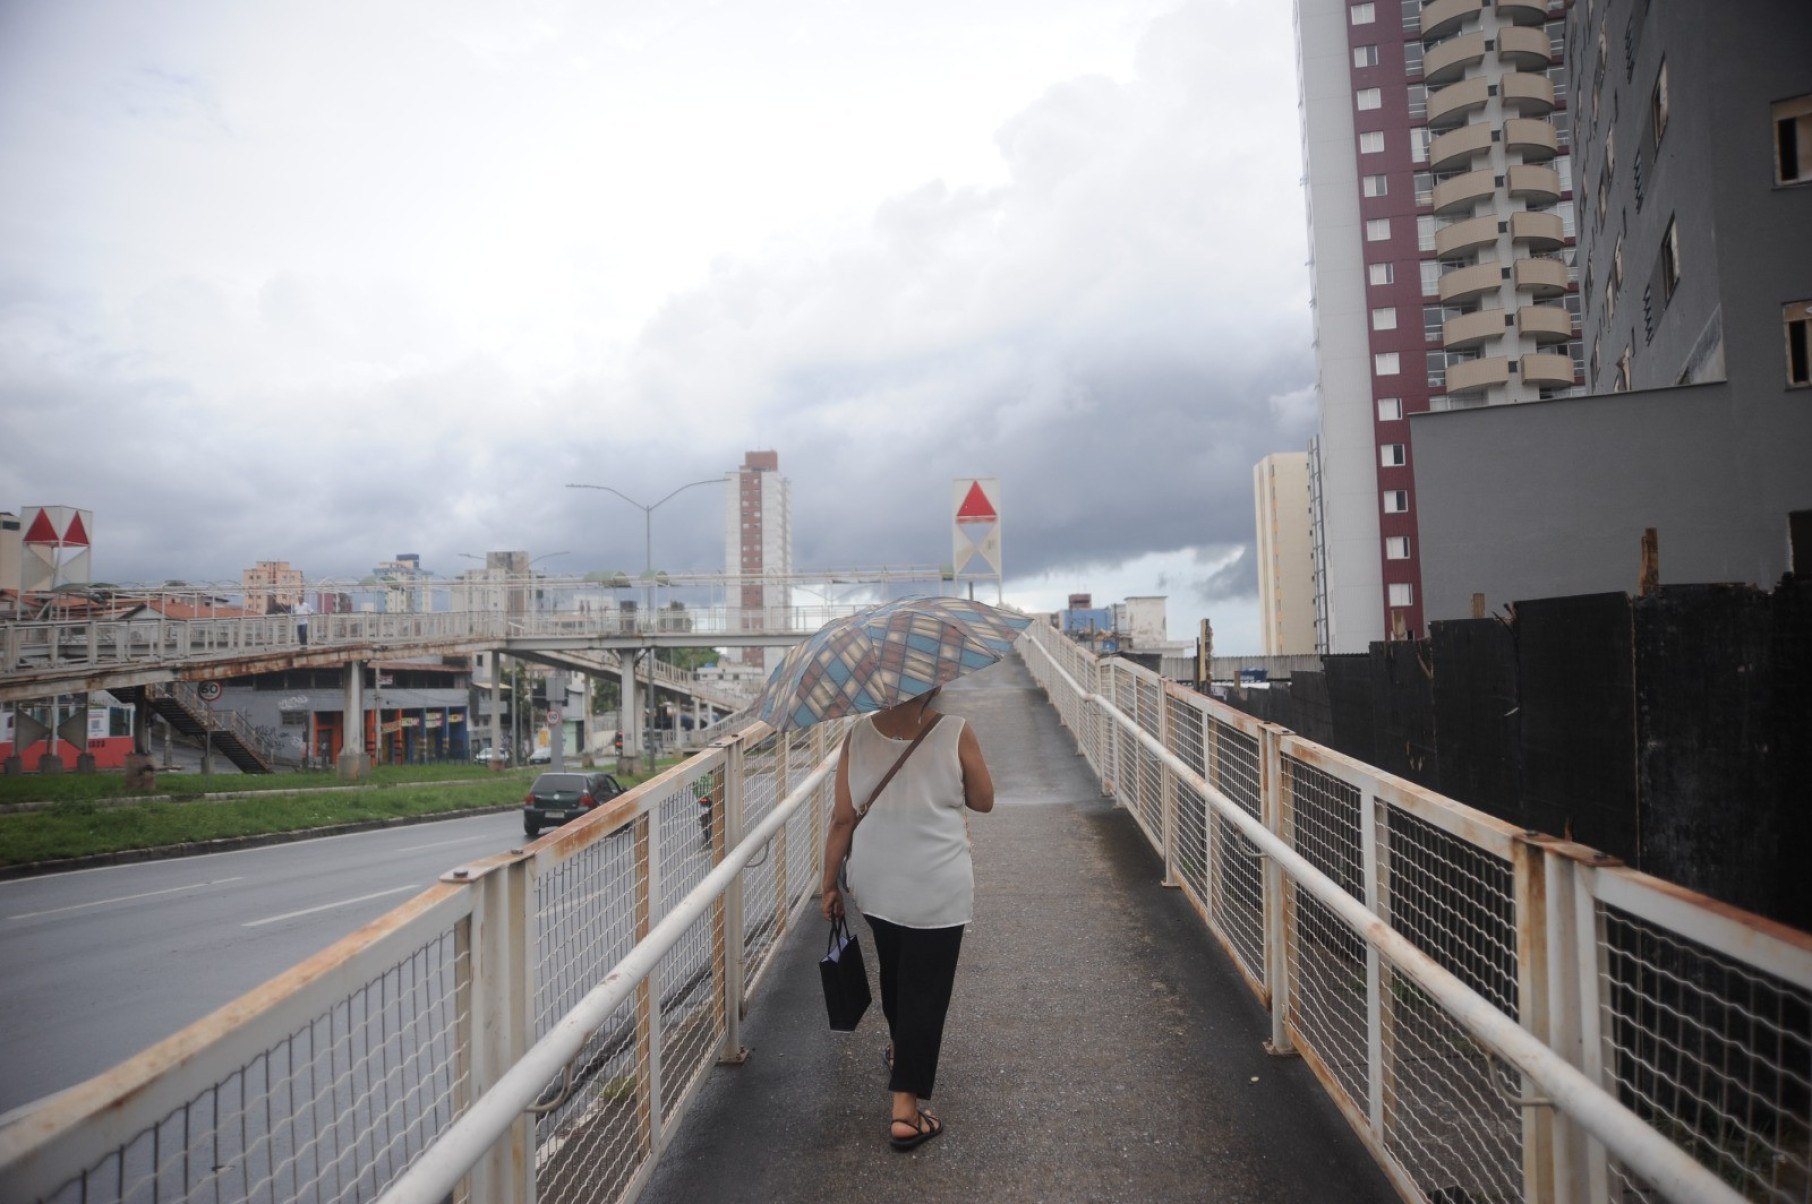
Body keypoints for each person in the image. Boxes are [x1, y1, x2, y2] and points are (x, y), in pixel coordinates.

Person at [820, 686, 995, 1151]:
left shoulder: (857, 734)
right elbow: (983, 800)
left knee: (897, 974)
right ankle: (905, 1110)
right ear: (935, 682)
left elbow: (841, 819)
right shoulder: (955, 731)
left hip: (876, 883)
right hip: (937, 884)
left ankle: (901, 1051)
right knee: (926, 989)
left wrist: (829, 884)